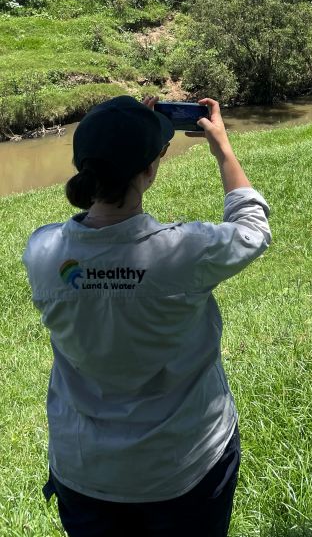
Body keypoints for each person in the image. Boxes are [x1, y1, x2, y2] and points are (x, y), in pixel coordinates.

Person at [22, 94, 271, 537]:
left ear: (83, 164)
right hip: (183, 466)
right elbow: (252, 228)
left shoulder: (42, 252)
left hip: (86, 469)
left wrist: (126, 129)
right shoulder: (185, 251)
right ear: (151, 169)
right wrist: (222, 148)